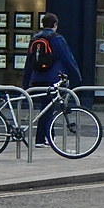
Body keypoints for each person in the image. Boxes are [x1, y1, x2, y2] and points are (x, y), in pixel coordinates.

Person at [22, 13, 83, 147]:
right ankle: (41, 139)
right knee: (48, 108)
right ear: (55, 24)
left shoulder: (35, 39)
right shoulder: (58, 39)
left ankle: (49, 136)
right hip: (53, 78)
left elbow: (29, 63)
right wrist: (76, 77)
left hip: (36, 79)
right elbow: (68, 59)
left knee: (47, 107)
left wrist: (25, 84)